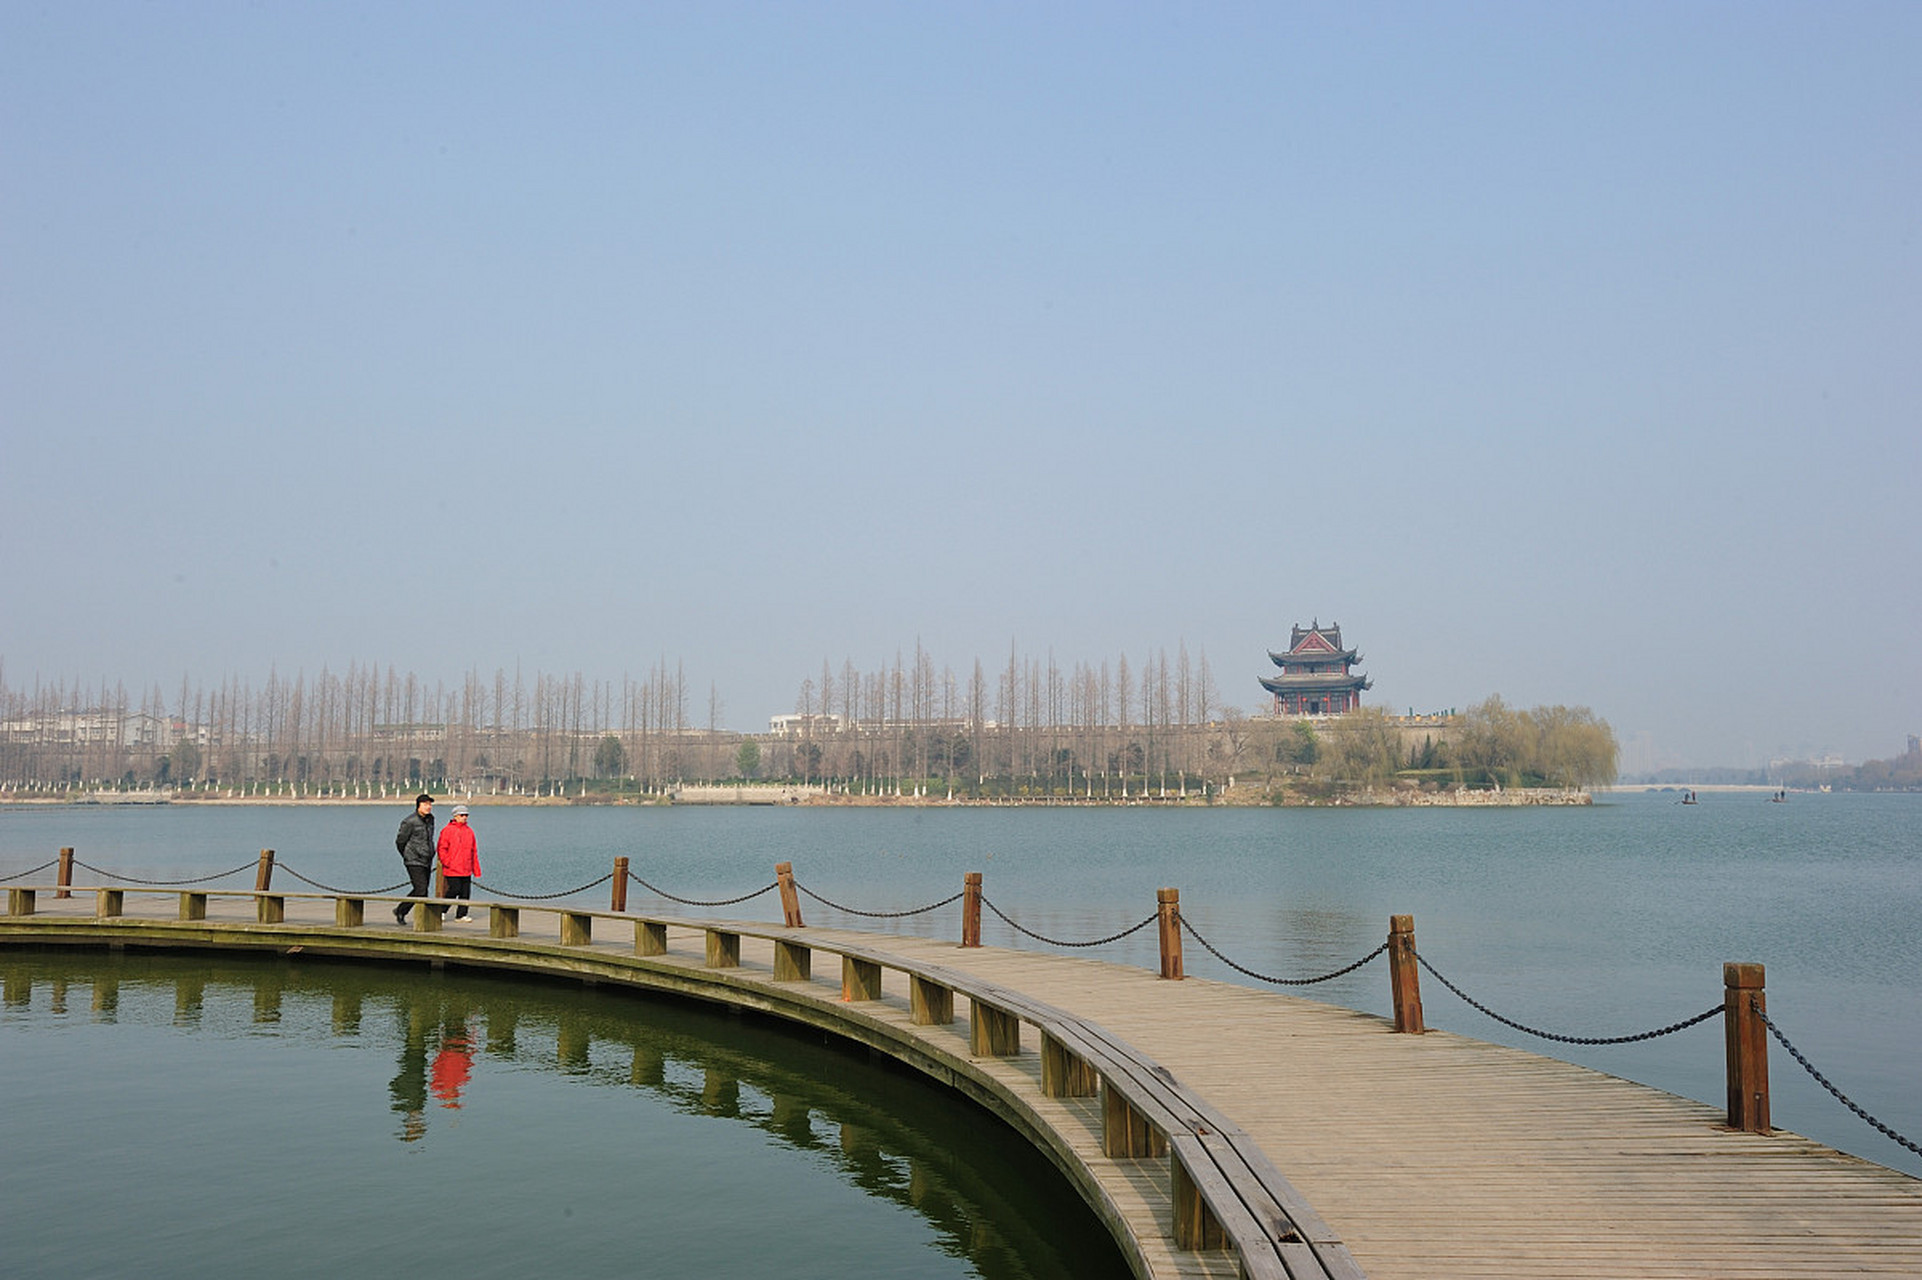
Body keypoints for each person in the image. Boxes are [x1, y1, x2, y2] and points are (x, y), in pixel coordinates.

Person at [394, 792, 435, 924]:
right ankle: (411, 914)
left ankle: (403, 910)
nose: (428, 807)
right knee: (421, 889)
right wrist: (407, 855)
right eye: (425, 804)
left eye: (430, 804)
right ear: (418, 806)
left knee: (421, 890)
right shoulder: (410, 821)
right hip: (413, 860)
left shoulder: (430, 820)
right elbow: (400, 841)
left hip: (427, 859)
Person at [435, 804, 480, 921]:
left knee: (465, 893)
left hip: (466, 867)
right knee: (454, 890)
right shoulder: (447, 830)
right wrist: (447, 862)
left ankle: (461, 915)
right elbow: (441, 848)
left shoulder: (469, 831)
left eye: (466, 815)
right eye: (462, 815)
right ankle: (441, 911)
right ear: (455, 816)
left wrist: (475, 869)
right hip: (452, 867)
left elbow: (474, 851)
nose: (464, 817)